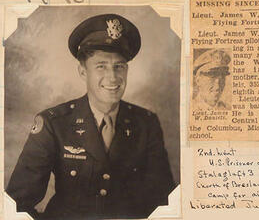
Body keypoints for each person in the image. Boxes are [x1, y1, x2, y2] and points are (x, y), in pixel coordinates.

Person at [6, 14, 175, 220]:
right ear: (83, 72)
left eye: (119, 66)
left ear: (127, 70)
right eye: (101, 66)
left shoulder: (146, 123)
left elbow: (164, 203)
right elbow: (15, 205)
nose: (113, 77)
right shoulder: (54, 123)